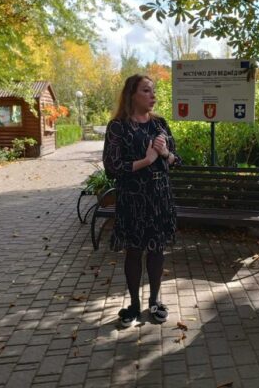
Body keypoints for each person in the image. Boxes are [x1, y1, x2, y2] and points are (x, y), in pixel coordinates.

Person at [103, 74, 180, 327]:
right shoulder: (118, 126)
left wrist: (165, 153)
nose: (153, 96)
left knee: (157, 249)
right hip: (133, 200)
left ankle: (155, 301)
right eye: (146, 91)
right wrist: (146, 161)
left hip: (159, 198)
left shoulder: (160, 125)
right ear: (132, 95)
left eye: (153, 91)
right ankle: (135, 305)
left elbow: (175, 161)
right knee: (134, 251)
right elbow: (112, 167)